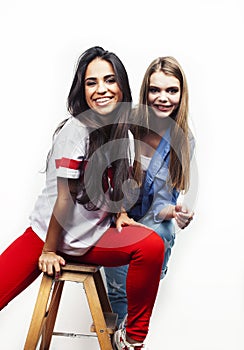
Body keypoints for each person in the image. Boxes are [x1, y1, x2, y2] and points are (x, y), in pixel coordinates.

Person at [0, 46, 165, 350]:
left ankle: (133, 340)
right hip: (48, 235)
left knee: (152, 246)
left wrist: (118, 215)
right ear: (82, 89)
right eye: (92, 82)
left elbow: (116, 182)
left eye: (110, 80)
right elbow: (64, 200)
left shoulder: (124, 136)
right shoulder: (75, 130)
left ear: (121, 87)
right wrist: (48, 251)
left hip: (91, 239)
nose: (101, 89)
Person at [104, 55, 195, 326]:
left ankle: (127, 329)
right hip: (113, 217)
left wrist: (174, 212)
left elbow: (162, 204)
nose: (163, 98)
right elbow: (102, 174)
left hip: (148, 224)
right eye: (155, 90)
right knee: (121, 295)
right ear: (146, 91)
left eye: (171, 90)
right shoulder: (128, 122)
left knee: (162, 232)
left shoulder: (184, 139)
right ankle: (123, 329)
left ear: (182, 93)